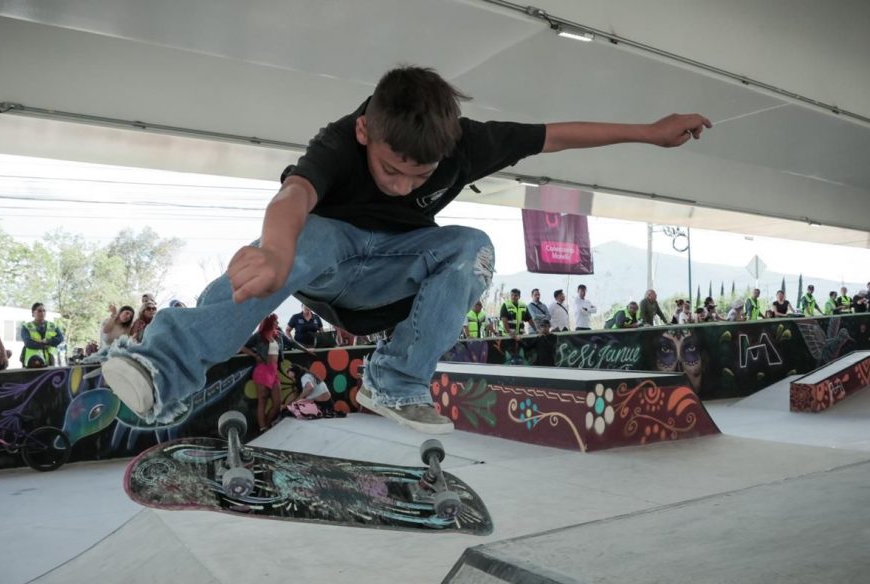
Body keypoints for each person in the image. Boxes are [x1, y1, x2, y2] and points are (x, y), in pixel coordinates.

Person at [95, 65, 711, 433]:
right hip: (327, 264)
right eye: (391, 170)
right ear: (367, 131)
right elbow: (294, 195)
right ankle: (166, 366)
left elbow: (558, 136)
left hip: (393, 274)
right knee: (307, 237)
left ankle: (395, 380)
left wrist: (648, 133)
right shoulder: (340, 140)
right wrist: (277, 252)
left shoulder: (468, 142)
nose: (403, 185)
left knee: (473, 246)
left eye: (421, 176)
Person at [241, 314, 284, 432]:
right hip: (262, 370)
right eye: (275, 321)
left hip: (273, 371)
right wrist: (254, 355)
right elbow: (242, 346)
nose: (277, 323)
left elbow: (292, 342)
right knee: (262, 400)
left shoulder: (278, 335)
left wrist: (306, 350)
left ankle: (268, 423)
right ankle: (263, 428)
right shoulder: (259, 336)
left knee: (277, 403)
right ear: (269, 323)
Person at [20, 303, 63, 368]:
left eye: (44, 311)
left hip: (50, 361)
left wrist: (48, 341)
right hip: (32, 363)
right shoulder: (26, 327)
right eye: (39, 311)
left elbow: (60, 338)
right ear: (33, 313)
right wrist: (44, 346)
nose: (42, 313)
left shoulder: (53, 325)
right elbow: (28, 343)